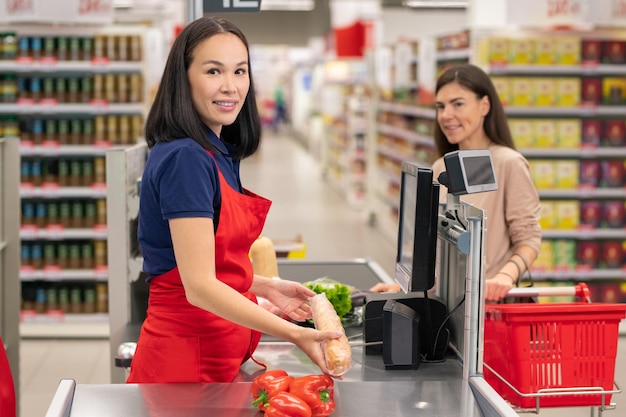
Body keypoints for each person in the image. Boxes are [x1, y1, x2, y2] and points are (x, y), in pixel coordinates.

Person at [126, 16, 341, 384]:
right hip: (185, 364)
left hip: (213, 352)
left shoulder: (213, 150)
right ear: (184, 77)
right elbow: (198, 286)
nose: (231, 87)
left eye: (240, 71)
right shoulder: (186, 159)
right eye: (213, 71)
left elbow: (196, 263)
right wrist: (295, 333)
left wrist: (261, 285)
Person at [370, 63, 542, 302]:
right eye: (440, 107)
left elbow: (529, 240)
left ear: (485, 105)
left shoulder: (508, 164)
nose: (446, 115)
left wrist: (505, 277)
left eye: (458, 104)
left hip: (487, 310)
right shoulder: (441, 167)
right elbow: (436, 250)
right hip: (445, 308)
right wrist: (405, 288)